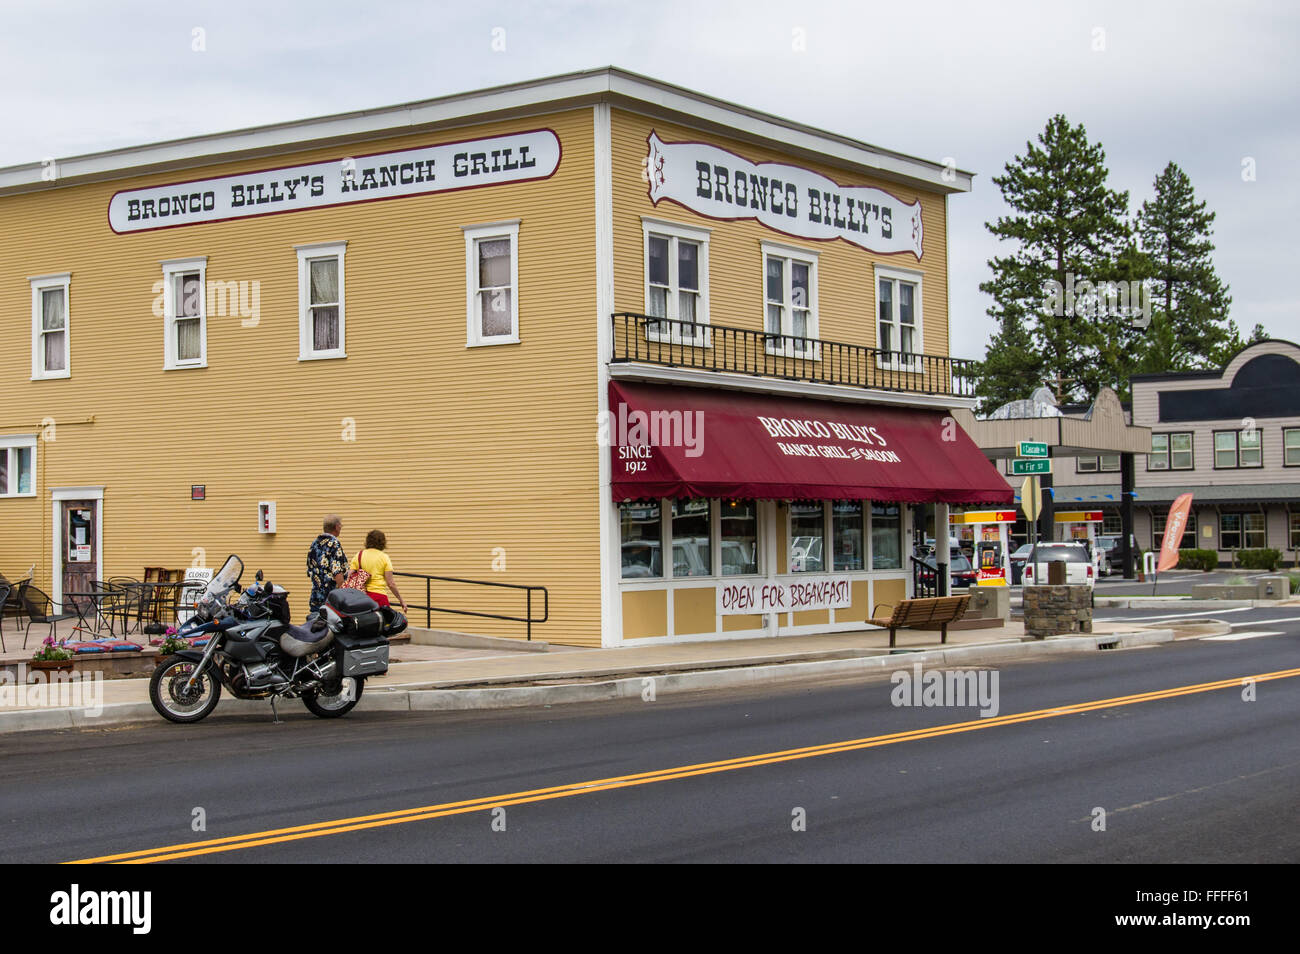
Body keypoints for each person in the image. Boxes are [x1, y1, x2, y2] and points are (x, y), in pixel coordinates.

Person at [349, 529, 408, 613]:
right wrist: (401, 600)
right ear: (382, 542)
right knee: (383, 623)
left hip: (362, 597)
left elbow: (349, 575)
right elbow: (391, 584)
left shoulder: (359, 555)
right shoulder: (384, 557)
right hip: (379, 597)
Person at [306, 514, 349, 614]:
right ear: (336, 527)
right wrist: (345, 595)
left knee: (316, 625)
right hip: (331, 597)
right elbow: (337, 572)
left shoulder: (315, 543)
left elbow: (310, 569)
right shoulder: (334, 543)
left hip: (316, 596)